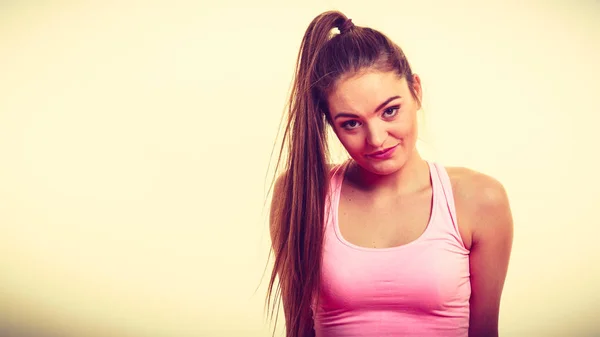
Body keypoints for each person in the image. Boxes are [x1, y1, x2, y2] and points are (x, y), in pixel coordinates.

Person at [266, 10, 514, 337]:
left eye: (390, 110)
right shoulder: (302, 194)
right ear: (330, 123)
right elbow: (298, 332)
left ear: (417, 91)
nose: (377, 138)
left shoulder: (479, 200)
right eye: (351, 123)